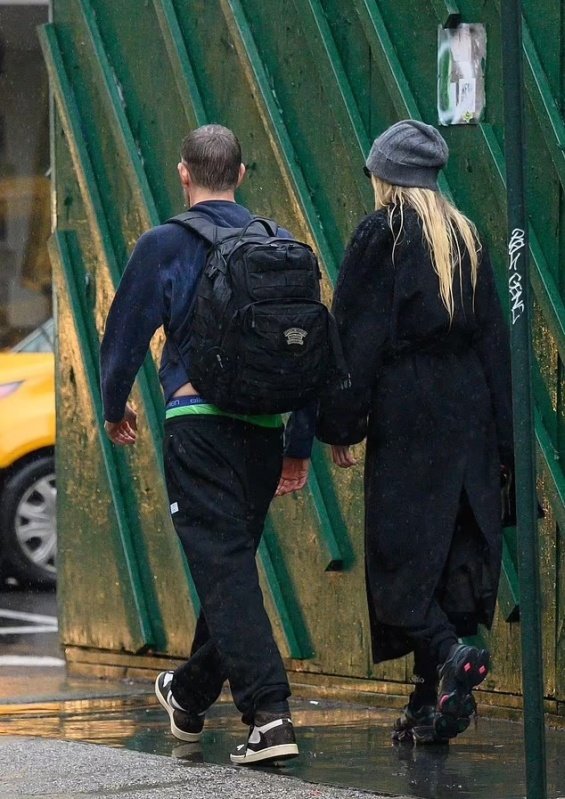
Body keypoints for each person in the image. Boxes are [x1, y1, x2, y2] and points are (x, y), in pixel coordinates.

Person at [100, 124, 314, 764]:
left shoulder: (165, 244)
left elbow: (125, 333)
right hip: (262, 434)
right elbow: (306, 349)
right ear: (242, 175)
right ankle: (189, 695)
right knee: (230, 569)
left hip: (198, 426)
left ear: (184, 172)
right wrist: (298, 442)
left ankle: (270, 715)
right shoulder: (279, 246)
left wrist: (114, 406)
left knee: (223, 571)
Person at [317, 119, 513, 745]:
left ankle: (450, 656)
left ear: (385, 177)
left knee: (401, 558)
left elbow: (355, 334)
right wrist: (504, 444)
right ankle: (427, 702)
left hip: (410, 413)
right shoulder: (466, 235)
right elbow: (493, 340)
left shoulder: (384, 231)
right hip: (470, 411)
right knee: (450, 555)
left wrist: (341, 422)